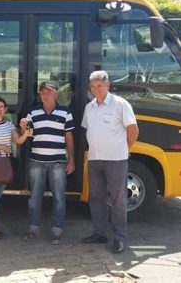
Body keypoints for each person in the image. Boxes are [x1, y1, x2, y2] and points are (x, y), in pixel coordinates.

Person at [80, 70, 139, 254]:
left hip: (116, 160)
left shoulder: (120, 104)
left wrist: (122, 148)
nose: (96, 90)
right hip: (95, 159)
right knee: (96, 198)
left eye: (100, 86)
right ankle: (100, 233)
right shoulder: (90, 107)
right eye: (93, 87)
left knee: (118, 200)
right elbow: (89, 131)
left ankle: (120, 238)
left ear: (108, 86)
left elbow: (133, 131)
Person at [20, 80, 75, 245]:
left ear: (56, 94)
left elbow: (69, 137)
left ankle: (57, 231)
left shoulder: (66, 113)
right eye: (43, 92)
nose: (46, 94)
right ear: (40, 94)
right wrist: (23, 127)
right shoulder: (33, 112)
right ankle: (33, 229)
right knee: (34, 197)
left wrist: (71, 159)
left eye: (49, 92)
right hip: (36, 161)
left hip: (58, 162)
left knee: (59, 197)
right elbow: (27, 134)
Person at [0, 97, 32, 238]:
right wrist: (3, 147)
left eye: (1, 107)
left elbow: (18, 141)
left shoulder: (8, 124)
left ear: (5, 109)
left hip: (4, 164)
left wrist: (25, 134)